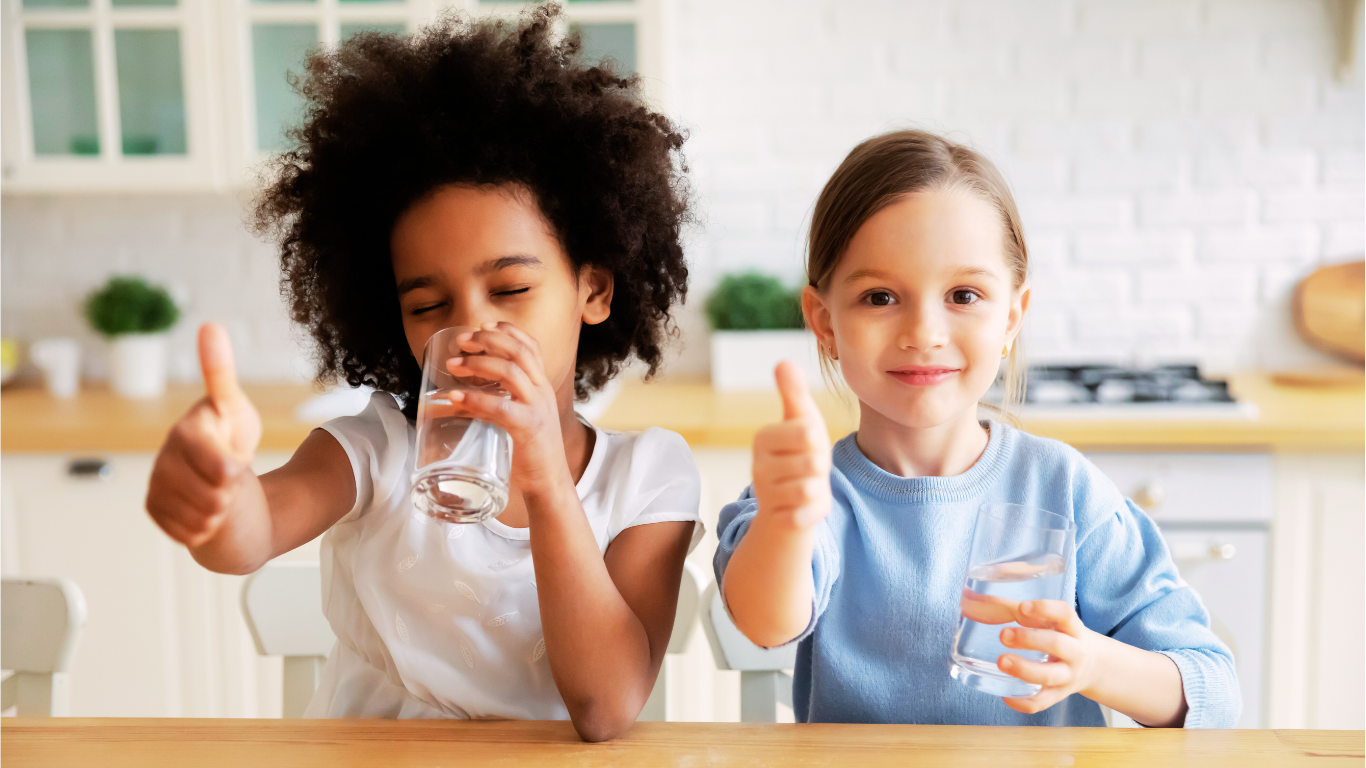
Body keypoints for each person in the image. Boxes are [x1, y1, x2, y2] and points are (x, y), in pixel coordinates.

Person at [145, 7, 702, 741]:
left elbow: (603, 707)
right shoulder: (374, 451)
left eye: (510, 289)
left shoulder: (648, 478)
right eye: (428, 303)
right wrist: (218, 497)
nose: (467, 330)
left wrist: (540, 471)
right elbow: (249, 533)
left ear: (594, 291)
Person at [715, 129, 1239, 728]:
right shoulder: (810, 494)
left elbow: (1214, 694)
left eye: (963, 294)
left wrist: (1091, 663)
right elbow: (765, 621)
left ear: (1012, 317)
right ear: (824, 323)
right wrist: (786, 523)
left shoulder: (1063, 489)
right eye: (880, 296)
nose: (925, 332)